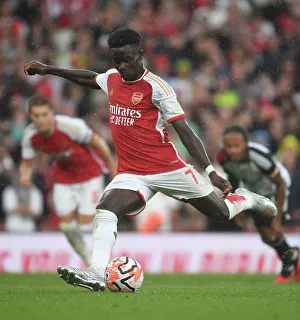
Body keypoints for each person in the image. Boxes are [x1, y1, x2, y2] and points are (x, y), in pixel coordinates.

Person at [24, 28, 277, 291]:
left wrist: (210, 171)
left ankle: (247, 198)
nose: (121, 66)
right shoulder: (112, 78)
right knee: (106, 208)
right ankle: (97, 270)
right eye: (116, 60)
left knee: (222, 212)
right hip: (132, 173)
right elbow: (90, 77)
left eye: (127, 59)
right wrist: (49, 69)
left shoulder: (158, 88)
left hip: (169, 169)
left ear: (141, 54)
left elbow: (185, 131)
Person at [20, 96, 116, 265]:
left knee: (86, 223)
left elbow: (99, 143)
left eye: (44, 114)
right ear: (31, 116)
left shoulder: (70, 126)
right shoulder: (30, 136)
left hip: (90, 174)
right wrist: (25, 175)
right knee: (67, 226)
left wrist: (113, 170)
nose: (41, 119)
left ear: (52, 113)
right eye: (36, 116)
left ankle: (105, 247)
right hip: (64, 177)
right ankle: (88, 260)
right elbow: (26, 163)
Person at [217, 125, 299, 283]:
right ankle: (292, 254)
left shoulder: (258, 156)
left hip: (277, 189)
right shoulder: (223, 158)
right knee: (266, 236)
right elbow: (233, 178)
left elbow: (280, 184)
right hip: (255, 192)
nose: (232, 150)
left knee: (275, 232)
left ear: (246, 145)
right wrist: (237, 207)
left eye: (237, 146)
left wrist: (277, 218)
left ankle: (288, 266)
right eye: (229, 146)